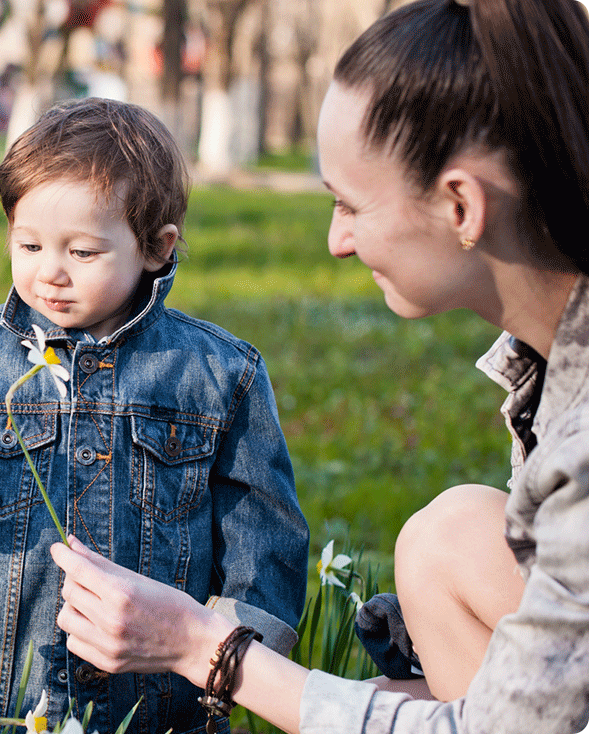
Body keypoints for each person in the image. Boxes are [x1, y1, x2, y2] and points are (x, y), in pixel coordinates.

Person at [50, 0, 589, 731]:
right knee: (451, 535)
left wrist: (205, 647)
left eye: (350, 206)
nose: (336, 241)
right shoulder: (551, 366)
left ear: (461, 205)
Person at [0, 97, 309, 733]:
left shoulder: (219, 375)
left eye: (83, 253)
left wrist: (230, 659)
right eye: (28, 244)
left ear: (156, 247)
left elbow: (262, 531)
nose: (49, 273)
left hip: (154, 706)